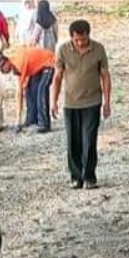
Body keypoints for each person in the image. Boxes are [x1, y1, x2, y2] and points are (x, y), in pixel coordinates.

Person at [51, 19, 112, 190]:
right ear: (71, 37)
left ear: (88, 35)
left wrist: (107, 102)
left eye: (83, 39)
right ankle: (76, 176)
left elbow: (105, 76)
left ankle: (89, 176)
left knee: (89, 140)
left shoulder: (98, 49)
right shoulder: (63, 50)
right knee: (73, 141)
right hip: (70, 103)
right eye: (77, 40)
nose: (81, 43)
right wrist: (53, 101)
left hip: (93, 101)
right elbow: (57, 77)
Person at [0, 48, 55, 133]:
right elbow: (24, 85)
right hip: (39, 68)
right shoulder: (15, 64)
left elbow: (19, 93)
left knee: (42, 91)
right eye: (0, 69)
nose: (3, 70)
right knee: (29, 90)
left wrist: (17, 119)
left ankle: (44, 124)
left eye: (2, 66)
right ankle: (31, 119)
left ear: (7, 61)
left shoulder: (18, 63)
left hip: (50, 62)